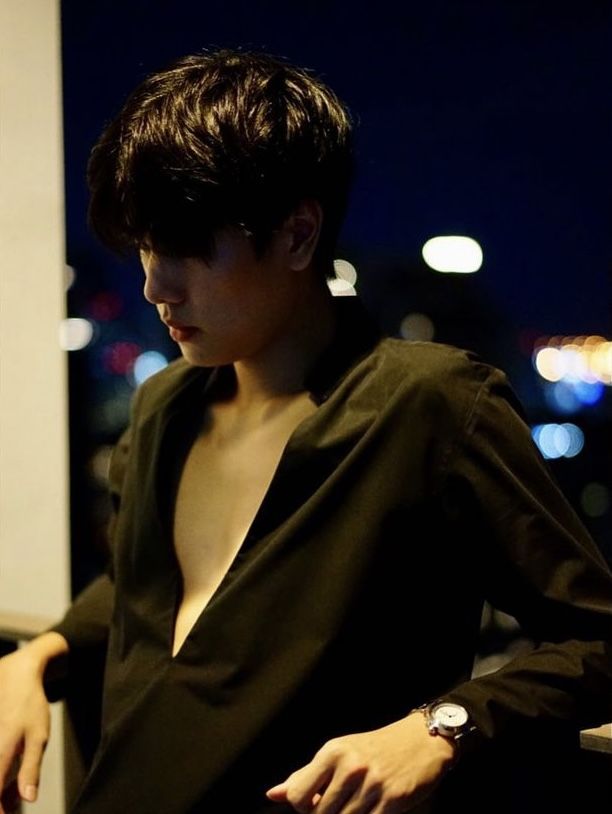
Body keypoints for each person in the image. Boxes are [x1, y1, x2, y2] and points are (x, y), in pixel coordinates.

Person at [0, 48, 611, 814]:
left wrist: (444, 725)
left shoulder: (430, 405)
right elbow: (145, 588)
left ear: (296, 235)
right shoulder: (163, 408)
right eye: (147, 247)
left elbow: (598, 639)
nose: (156, 284)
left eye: (187, 246)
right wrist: (40, 654)